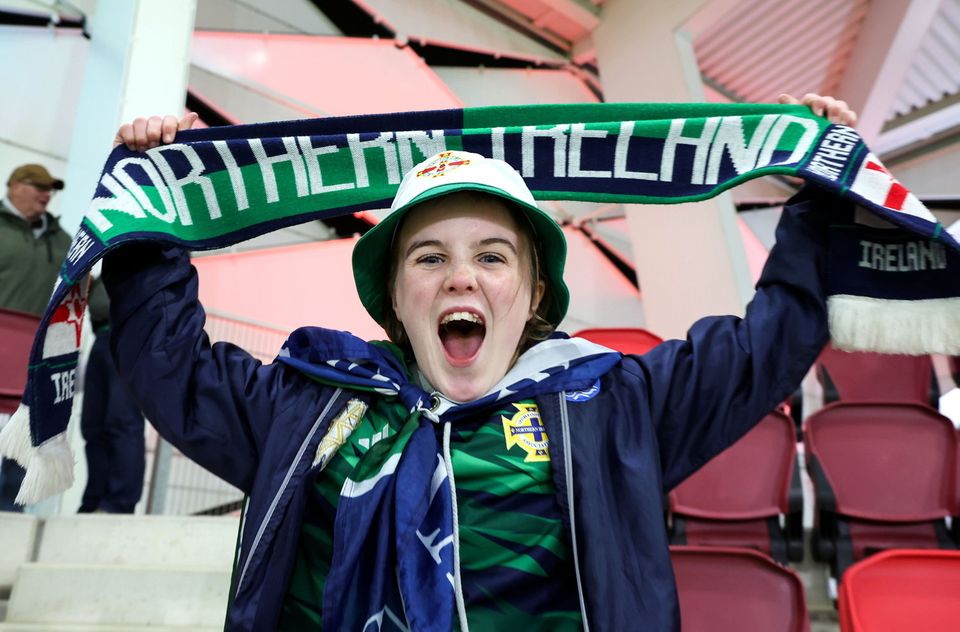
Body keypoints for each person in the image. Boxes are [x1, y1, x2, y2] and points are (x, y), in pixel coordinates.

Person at [106, 95, 856, 631]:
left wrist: (818, 195)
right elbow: (169, 365)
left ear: (533, 295)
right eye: (429, 258)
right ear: (395, 300)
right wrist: (148, 224)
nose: (460, 277)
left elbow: (769, 344)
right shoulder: (310, 404)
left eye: (492, 258)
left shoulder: (614, 405)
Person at [0, 164, 71, 512]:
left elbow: (86, 285)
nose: (46, 194)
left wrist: (110, 322)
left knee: (23, 446)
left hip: (32, 364)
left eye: (50, 189)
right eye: (38, 186)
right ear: (14, 186)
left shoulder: (62, 241)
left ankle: (8, 525)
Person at [77, 277, 146, 514]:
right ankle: (95, 499)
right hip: (102, 335)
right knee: (93, 427)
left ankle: (119, 502)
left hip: (128, 335)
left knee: (122, 422)